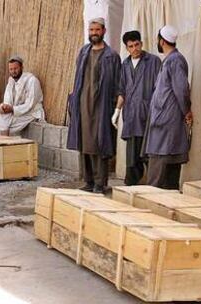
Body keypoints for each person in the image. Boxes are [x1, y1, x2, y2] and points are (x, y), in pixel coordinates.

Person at [67, 17, 121, 193]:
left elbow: (117, 84)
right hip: (83, 105)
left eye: (97, 30)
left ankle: (100, 183)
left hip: (102, 106)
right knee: (84, 143)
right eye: (91, 30)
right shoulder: (83, 52)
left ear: (104, 31)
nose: (94, 33)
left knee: (99, 144)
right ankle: (88, 181)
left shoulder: (111, 56)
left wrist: (115, 108)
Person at [145, 25, 193, 189]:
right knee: (168, 157)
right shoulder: (170, 60)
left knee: (160, 161)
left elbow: (182, 90)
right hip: (164, 119)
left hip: (167, 120)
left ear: (162, 41)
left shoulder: (175, 61)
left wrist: (187, 111)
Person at [113, 31, 161, 185]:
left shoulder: (153, 61)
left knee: (149, 151)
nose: (135, 48)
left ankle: (156, 186)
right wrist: (117, 111)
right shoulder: (125, 64)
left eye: (137, 44)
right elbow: (122, 90)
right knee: (132, 155)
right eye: (131, 46)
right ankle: (131, 186)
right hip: (131, 116)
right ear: (127, 48)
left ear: (141, 43)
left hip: (148, 114)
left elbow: (160, 88)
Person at [0, 56, 45, 136]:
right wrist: (3, 108)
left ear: (22, 67)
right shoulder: (11, 81)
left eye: (15, 68)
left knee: (2, 125)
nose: (13, 71)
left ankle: (2, 144)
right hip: (16, 112)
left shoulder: (32, 80)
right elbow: (7, 101)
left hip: (32, 113)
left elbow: (30, 105)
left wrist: (12, 109)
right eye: (11, 69)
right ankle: (3, 144)